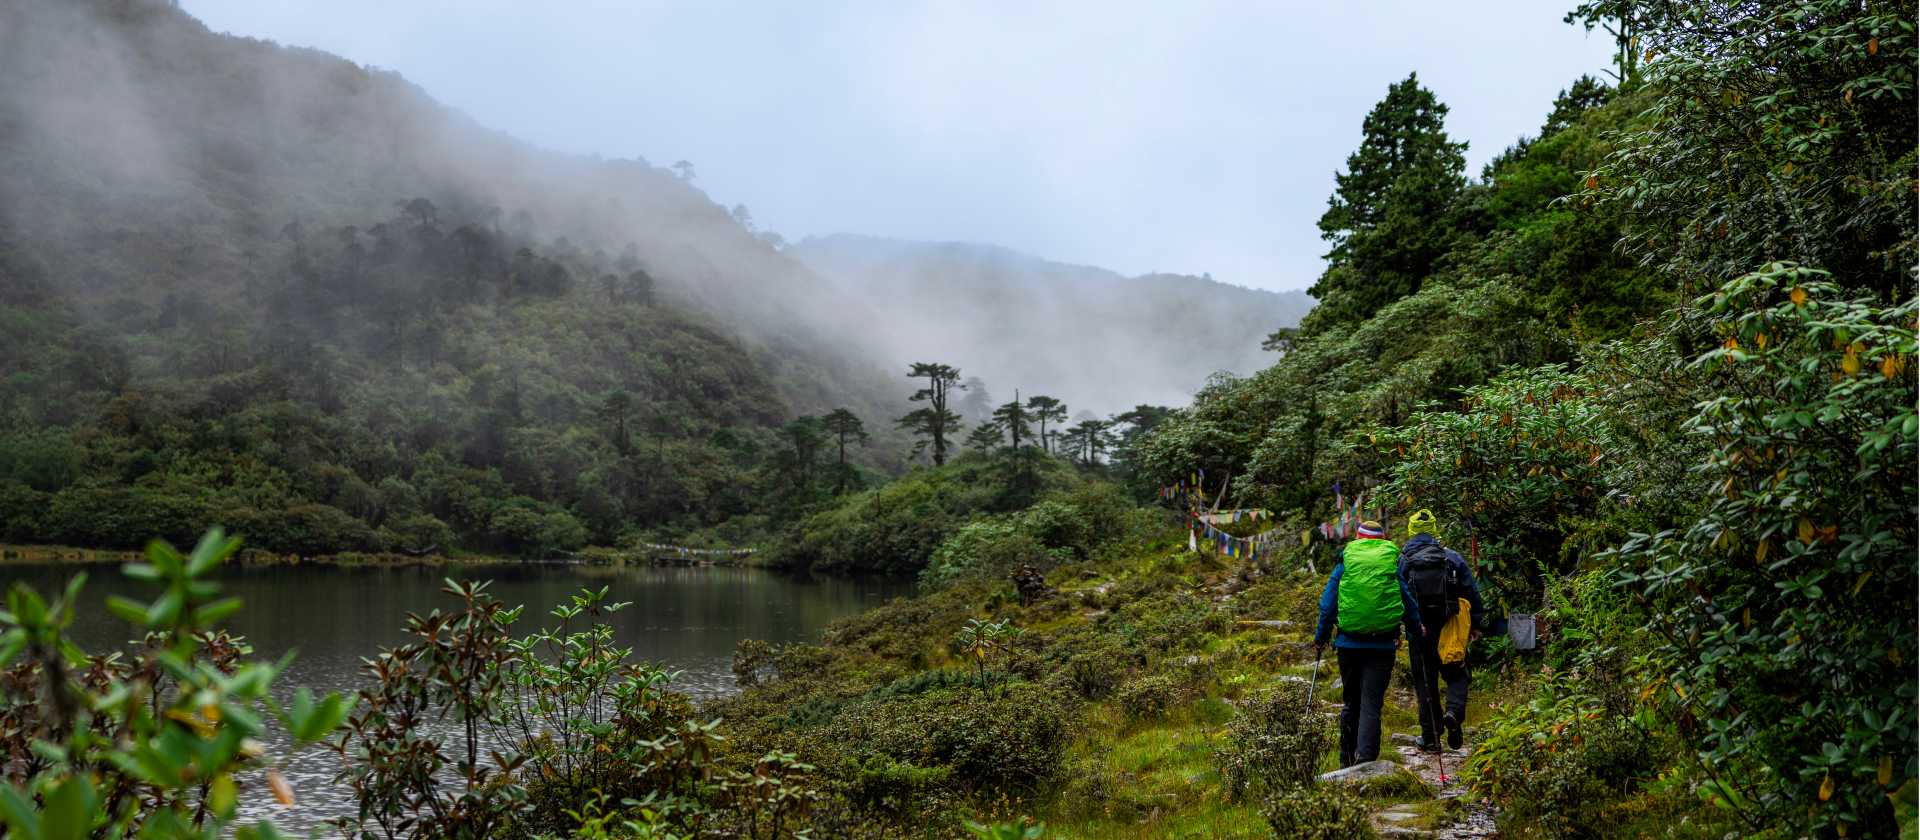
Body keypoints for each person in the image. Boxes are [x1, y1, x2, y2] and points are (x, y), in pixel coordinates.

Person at [1313, 519, 1424, 767]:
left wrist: (1321, 637)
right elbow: (1405, 600)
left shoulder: (1347, 560)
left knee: (1351, 701)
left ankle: (1346, 759)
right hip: (1382, 646)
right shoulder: (1390, 561)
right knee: (1371, 701)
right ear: (1382, 540)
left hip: (1348, 644)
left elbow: (1328, 604)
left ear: (1358, 538)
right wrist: (1416, 630)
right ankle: (1366, 759)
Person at [1399, 509, 1485, 751]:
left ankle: (1431, 737)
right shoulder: (1452, 558)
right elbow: (1471, 591)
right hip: (1451, 629)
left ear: (1410, 530)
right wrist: (1476, 624)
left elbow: (1396, 595)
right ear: (1435, 530)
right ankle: (1454, 713)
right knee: (1457, 674)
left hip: (1420, 630)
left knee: (1425, 682)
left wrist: (1399, 627)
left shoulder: (1403, 561)